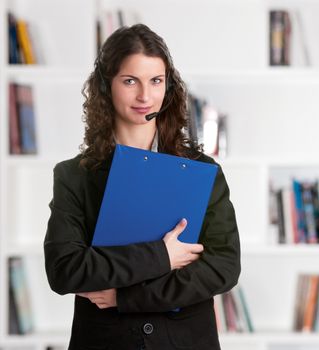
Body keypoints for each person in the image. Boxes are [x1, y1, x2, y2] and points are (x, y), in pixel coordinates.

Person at [44, 24, 240, 350]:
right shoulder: (74, 176)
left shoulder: (202, 171)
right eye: (130, 81)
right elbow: (65, 270)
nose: (144, 96)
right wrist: (163, 255)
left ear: (168, 88)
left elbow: (223, 267)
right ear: (106, 87)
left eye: (156, 81)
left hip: (184, 341)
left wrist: (127, 297)